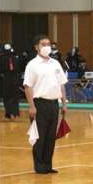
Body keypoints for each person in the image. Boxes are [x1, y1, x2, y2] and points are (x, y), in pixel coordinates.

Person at [23, 34, 68, 174]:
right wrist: (32, 106)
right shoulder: (32, 65)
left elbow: (62, 84)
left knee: (50, 137)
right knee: (40, 136)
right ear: (37, 47)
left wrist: (64, 103)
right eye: (43, 44)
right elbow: (27, 86)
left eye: (48, 44)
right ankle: (39, 166)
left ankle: (48, 165)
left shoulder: (55, 63)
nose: (47, 47)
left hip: (54, 104)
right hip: (39, 104)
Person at [0, 43, 20, 120]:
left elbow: (19, 68)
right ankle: (10, 114)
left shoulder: (14, 57)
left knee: (12, 96)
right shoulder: (1, 58)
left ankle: (13, 114)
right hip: (8, 78)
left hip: (11, 78)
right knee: (9, 96)